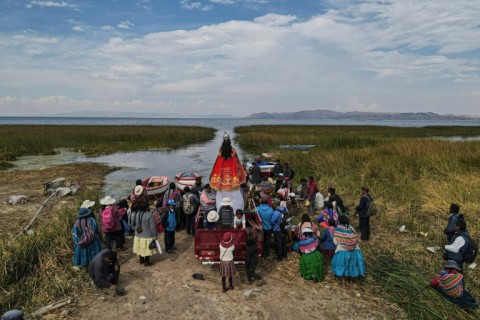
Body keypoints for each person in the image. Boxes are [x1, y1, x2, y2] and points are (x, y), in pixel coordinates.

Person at [210, 132, 246, 212]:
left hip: (222, 179)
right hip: (232, 177)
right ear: (229, 141)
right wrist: (240, 175)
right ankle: (236, 210)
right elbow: (237, 164)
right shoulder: (233, 151)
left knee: (221, 196)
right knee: (236, 195)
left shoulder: (220, 152)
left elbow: (217, 165)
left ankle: (221, 211)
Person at [331, 215, 365, 288]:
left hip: (342, 251)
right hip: (355, 249)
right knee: (352, 265)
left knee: (342, 266)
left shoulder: (338, 229)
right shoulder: (351, 228)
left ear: (339, 221)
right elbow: (356, 237)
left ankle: (343, 284)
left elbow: (335, 242)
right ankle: (355, 281)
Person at [72, 207, 103, 272]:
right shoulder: (92, 220)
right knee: (94, 256)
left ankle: (85, 269)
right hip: (93, 241)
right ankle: (95, 268)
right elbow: (99, 230)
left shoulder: (76, 222)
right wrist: (101, 238)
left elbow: (74, 234)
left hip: (81, 243)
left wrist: (78, 241)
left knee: (84, 257)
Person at [129, 199, 158, 265]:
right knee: (147, 249)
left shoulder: (135, 213)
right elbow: (152, 227)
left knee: (139, 248)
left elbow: (132, 225)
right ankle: (146, 261)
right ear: (147, 207)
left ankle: (141, 259)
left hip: (138, 235)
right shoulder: (149, 214)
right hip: (147, 235)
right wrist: (155, 235)